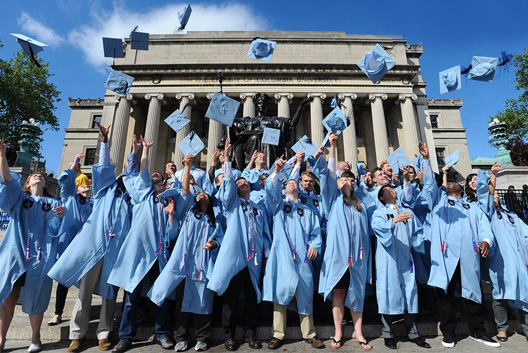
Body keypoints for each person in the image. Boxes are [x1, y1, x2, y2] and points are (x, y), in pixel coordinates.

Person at [47, 124, 136, 352]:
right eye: (124, 175)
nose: (126, 178)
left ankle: (103, 334)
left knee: (109, 294)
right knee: (84, 293)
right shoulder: (104, 191)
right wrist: (104, 142)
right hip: (95, 248)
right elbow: (104, 167)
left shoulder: (131, 201)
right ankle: (77, 335)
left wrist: (135, 153)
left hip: (116, 251)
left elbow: (136, 173)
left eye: (129, 176)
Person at [107, 138, 191, 353]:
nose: (156, 182)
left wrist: (171, 217)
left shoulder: (169, 204)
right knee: (130, 299)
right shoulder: (142, 198)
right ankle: (126, 337)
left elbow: (172, 236)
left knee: (160, 296)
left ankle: (162, 334)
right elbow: (142, 171)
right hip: (138, 255)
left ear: (164, 184)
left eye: (159, 181)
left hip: (159, 256)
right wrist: (144, 149)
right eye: (153, 181)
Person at [0, 139, 65, 353]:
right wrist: (2, 156)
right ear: (27, 184)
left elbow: (56, 231)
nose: (39, 176)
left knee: (37, 296)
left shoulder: (54, 204)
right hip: (16, 254)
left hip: (40, 257)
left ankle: (35, 337)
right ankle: (1, 338)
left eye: (42, 177)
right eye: (35, 175)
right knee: (9, 296)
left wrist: (61, 217)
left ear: (46, 185)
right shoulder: (19, 199)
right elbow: (8, 181)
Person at [427, 156, 499, 348]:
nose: (450, 184)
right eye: (447, 184)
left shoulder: (471, 207)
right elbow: (429, 186)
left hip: (468, 255)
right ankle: (448, 334)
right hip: (445, 257)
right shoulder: (438, 204)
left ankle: (478, 331)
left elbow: (484, 226)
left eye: (453, 183)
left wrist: (486, 240)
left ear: (460, 189)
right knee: (445, 295)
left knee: (473, 294)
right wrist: (427, 159)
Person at [207, 138, 271, 352]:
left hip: (253, 259)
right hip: (236, 258)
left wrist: (267, 251)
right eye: (238, 182)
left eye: (244, 181)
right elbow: (225, 189)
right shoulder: (232, 204)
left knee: (252, 299)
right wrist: (226, 161)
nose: (242, 182)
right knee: (231, 299)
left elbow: (264, 232)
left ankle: (250, 334)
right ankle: (229, 335)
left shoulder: (257, 207)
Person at [313, 132, 372, 350]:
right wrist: (333, 146)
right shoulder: (331, 200)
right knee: (338, 294)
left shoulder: (361, 206)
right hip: (338, 258)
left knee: (357, 294)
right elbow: (329, 176)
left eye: (350, 179)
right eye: (343, 178)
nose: (346, 181)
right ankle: (338, 332)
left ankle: (359, 333)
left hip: (357, 258)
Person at [149, 184, 223, 352]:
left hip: (204, 265)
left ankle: (202, 338)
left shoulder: (215, 218)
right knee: (181, 304)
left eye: (205, 193)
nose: (202, 195)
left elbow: (221, 237)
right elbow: (185, 192)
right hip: (186, 265)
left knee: (203, 303)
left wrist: (214, 243)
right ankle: (181, 338)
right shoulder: (189, 213)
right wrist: (172, 214)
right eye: (199, 194)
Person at [264, 155, 324, 350]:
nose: (291, 183)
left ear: (298, 187)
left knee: (305, 295)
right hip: (282, 258)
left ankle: (310, 334)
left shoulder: (307, 210)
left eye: (293, 181)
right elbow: (270, 190)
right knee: (280, 295)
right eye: (287, 182)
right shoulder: (278, 206)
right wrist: (276, 171)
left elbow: (315, 232)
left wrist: (315, 245)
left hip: (303, 259)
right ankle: (277, 334)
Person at [371, 174, 429, 349]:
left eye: (392, 189)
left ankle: (413, 333)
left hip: (406, 258)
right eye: (387, 190)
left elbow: (419, 232)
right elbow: (377, 228)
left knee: (410, 293)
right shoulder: (379, 212)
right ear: (381, 197)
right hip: (388, 259)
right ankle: (388, 334)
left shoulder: (407, 211)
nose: (392, 191)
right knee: (388, 293)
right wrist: (394, 221)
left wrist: (414, 244)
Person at [476, 163, 528, 343]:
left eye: (498, 195)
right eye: (494, 194)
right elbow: (485, 195)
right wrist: (494, 176)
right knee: (500, 294)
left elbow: (526, 235)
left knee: (524, 294)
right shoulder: (487, 214)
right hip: (500, 261)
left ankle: (526, 328)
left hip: (519, 262)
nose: (496, 196)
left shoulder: (512, 216)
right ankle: (502, 329)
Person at [48, 151, 93, 327]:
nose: (86, 186)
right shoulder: (70, 199)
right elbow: (65, 183)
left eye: (87, 185)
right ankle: (57, 313)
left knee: (85, 283)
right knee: (63, 281)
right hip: (68, 245)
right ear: (77, 189)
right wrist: (74, 164)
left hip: (84, 247)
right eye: (82, 186)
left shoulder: (93, 204)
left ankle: (82, 314)